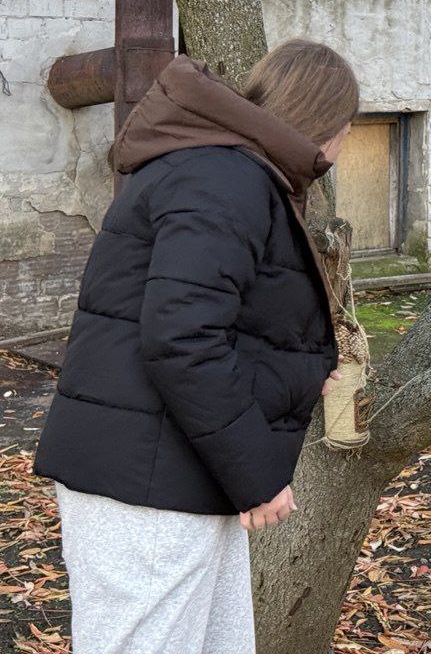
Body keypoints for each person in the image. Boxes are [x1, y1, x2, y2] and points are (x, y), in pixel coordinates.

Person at [34, 39, 360, 654]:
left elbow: (214, 325)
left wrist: (299, 375)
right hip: (144, 484)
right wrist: (258, 477)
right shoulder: (222, 177)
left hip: (178, 473)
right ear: (331, 125)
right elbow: (183, 339)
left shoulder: (229, 173)